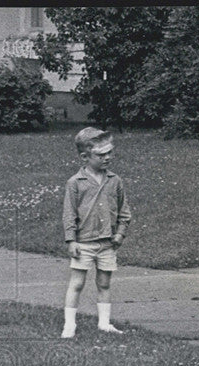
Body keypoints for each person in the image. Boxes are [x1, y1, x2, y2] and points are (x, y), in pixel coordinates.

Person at [61, 127, 132, 338]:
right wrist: (71, 240)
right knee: (77, 283)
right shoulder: (75, 183)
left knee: (104, 283)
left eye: (109, 152)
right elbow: (69, 214)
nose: (107, 157)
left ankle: (104, 323)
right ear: (84, 157)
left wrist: (120, 234)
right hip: (83, 243)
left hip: (108, 243)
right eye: (101, 155)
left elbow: (124, 211)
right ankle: (69, 325)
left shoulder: (115, 181)